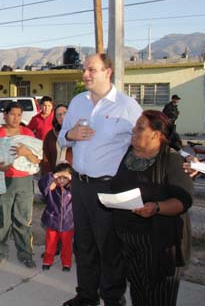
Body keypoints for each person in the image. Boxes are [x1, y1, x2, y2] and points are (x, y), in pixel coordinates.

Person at [58, 53, 142, 306]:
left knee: (109, 248)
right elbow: (62, 138)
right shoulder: (77, 102)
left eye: (92, 70)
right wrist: (71, 134)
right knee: (83, 244)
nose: (85, 74)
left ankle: (113, 299)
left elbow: (149, 140)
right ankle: (86, 295)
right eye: (84, 70)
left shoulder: (127, 106)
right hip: (80, 185)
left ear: (108, 72)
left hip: (108, 188)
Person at [111, 110, 193, 306]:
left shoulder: (172, 160)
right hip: (130, 242)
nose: (134, 129)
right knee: (138, 294)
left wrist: (156, 207)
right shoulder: (129, 156)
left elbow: (183, 200)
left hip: (160, 246)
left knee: (159, 298)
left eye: (140, 127)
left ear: (156, 135)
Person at [0, 102, 42, 268]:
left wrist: (26, 152)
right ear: (5, 115)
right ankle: (0, 252)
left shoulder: (28, 133)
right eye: (12, 114)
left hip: (24, 182)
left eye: (19, 115)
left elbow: (37, 160)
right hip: (3, 181)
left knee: (23, 220)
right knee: (3, 219)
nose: (16, 118)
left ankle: (26, 254)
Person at [38, 163, 74, 272]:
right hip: (52, 221)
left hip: (68, 223)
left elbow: (78, 185)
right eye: (59, 178)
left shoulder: (72, 189)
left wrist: (72, 178)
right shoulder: (52, 188)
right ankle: (47, 260)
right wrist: (53, 176)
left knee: (67, 246)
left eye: (65, 178)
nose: (61, 180)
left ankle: (66, 263)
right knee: (50, 243)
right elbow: (42, 184)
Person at [41, 104, 73, 174]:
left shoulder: (76, 133)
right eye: (59, 114)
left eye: (65, 113)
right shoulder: (51, 135)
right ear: (55, 118)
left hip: (73, 177)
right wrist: (48, 174)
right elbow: (45, 155)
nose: (62, 116)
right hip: (54, 177)